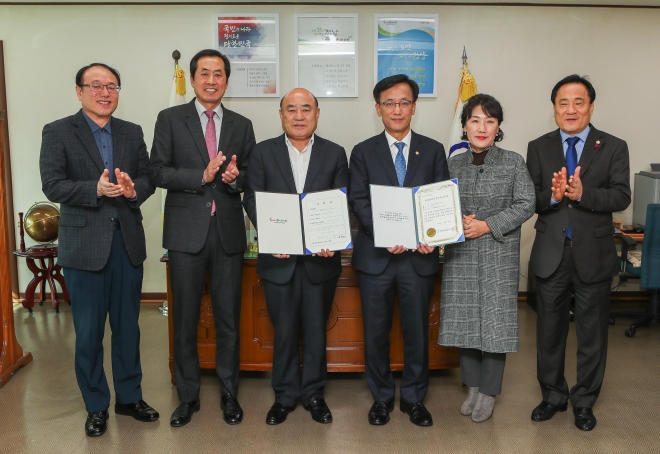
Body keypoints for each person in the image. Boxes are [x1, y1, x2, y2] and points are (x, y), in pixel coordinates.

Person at [40, 63, 157, 437]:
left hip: (127, 244)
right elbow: (52, 184)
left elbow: (148, 177)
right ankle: (95, 405)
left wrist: (132, 190)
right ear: (79, 91)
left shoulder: (131, 131)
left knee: (128, 330)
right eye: (95, 85)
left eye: (112, 86)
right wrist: (94, 188)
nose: (104, 92)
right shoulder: (58, 131)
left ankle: (129, 398)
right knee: (89, 334)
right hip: (84, 247)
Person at [148, 49, 256, 427]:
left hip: (228, 233)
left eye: (219, 74)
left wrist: (234, 179)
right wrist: (202, 176)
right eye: (205, 73)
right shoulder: (170, 119)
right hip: (185, 233)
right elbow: (158, 172)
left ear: (227, 80)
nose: (212, 80)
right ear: (192, 79)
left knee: (228, 320)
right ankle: (188, 397)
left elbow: (250, 177)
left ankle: (229, 393)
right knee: (185, 320)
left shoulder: (242, 125)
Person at [526, 75, 631, 431]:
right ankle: (553, 395)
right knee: (549, 332)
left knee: (592, 334)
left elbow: (621, 195)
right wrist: (553, 196)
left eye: (578, 102)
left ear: (591, 107)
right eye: (563, 103)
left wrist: (585, 194)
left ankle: (584, 401)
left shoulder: (613, 146)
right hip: (551, 253)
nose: (570, 109)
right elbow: (531, 198)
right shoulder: (538, 147)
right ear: (554, 109)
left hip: (594, 254)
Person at [243, 88, 348, 425]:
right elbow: (252, 198)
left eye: (306, 109)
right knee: (284, 330)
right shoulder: (262, 152)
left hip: (321, 260)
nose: (299, 116)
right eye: (291, 109)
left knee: (316, 329)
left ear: (317, 114)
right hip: (279, 260)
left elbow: (341, 201)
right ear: (281, 115)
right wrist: (273, 234)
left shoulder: (335, 153)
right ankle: (285, 396)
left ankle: (314, 395)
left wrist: (332, 237)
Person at [348, 74, 449, 427]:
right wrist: (385, 232)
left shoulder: (433, 150)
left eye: (404, 102)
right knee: (375, 333)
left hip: (418, 258)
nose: (397, 109)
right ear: (378, 109)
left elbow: (439, 199)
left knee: (417, 331)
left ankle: (414, 399)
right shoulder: (362, 151)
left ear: (414, 107)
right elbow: (359, 201)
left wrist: (431, 234)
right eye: (389, 103)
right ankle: (381, 398)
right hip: (377, 257)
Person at [438, 94, 535, 423]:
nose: (482, 127)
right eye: (475, 120)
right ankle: (473, 386)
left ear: (498, 127)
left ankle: (490, 391)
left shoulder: (513, 162)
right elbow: (440, 205)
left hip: (498, 253)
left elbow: (526, 203)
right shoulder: (452, 164)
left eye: (489, 121)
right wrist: (458, 221)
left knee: (495, 323)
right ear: (465, 126)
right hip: (462, 254)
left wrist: (487, 225)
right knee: (464, 321)